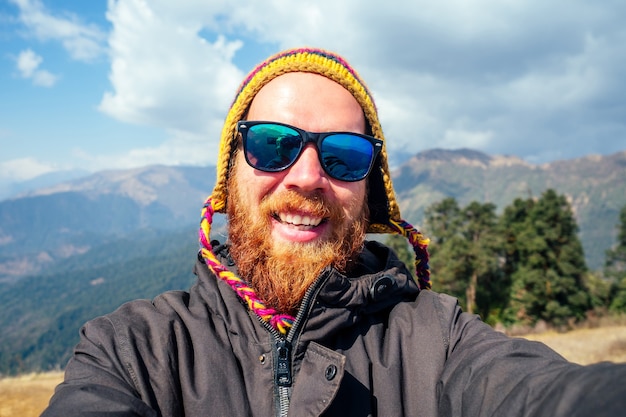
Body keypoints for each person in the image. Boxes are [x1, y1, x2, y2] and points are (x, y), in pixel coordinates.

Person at [42, 47, 626, 417]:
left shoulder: (436, 341)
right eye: (274, 144)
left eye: (344, 155)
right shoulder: (133, 351)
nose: (307, 176)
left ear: (370, 192)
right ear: (230, 175)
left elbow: (539, 393)